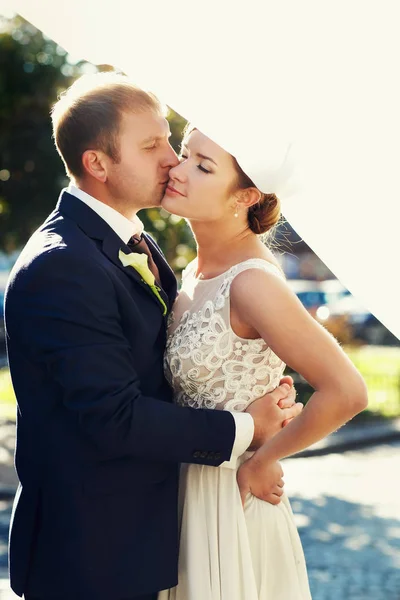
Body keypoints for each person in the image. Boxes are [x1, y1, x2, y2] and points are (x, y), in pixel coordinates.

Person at [4, 72, 302, 600]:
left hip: (149, 539)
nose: (172, 158)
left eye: (170, 139)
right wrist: (246, 426)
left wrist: (258, 385)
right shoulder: (63, 264)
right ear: (97, 164)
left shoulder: (130, 242)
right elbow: (113, 417)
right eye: (151, 146)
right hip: (93, 557)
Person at [158, 125, 369, 599]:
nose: (178, 169)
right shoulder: (194, 273)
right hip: (181, 493)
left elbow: (347, 390)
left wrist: (266, 459)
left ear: (245, 196)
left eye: (202, 166)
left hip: (232, 501)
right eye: (185, 154)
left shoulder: (253, 283)